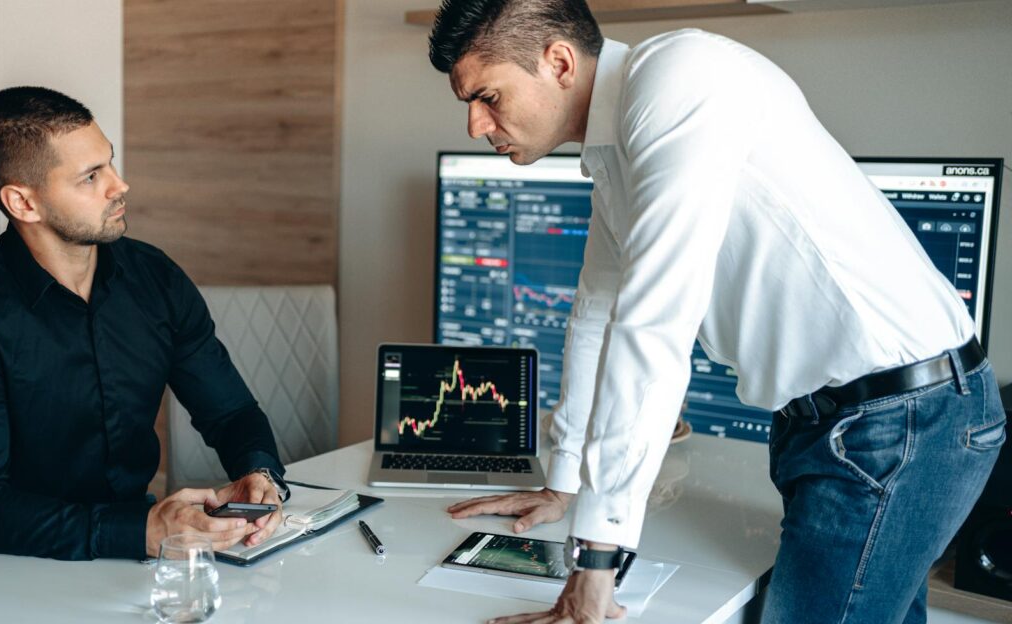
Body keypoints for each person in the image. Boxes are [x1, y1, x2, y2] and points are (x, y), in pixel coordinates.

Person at [427, 2, 1006, 622]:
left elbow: (653, 326)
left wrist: (595, 563)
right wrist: (563, 479)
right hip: (843, 423)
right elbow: (598, 313)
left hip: (902, 420)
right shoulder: (612, 150)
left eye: (487, 95)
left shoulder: (680, 80)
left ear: (559, 62)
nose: (474, 124)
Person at [0, 86, 291, 563]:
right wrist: (141, 530)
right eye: (91, 176)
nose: (120, 185)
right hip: (7, 571)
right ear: (23, 203)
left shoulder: (156, 279)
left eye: (110, 162)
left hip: (130, 560)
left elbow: (231, 413)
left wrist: (259, 474)